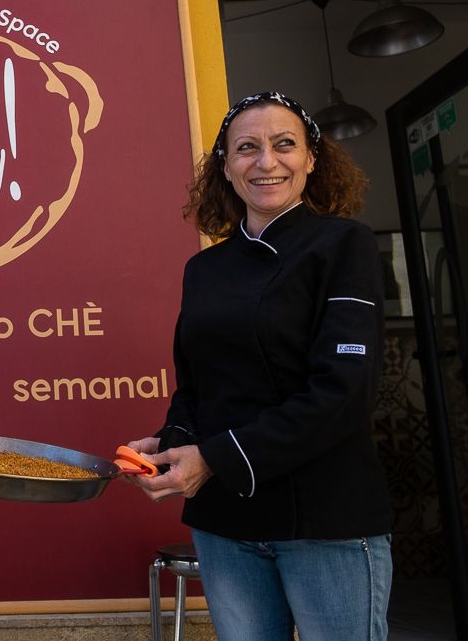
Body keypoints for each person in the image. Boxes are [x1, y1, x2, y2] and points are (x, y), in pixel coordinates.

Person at [128, 91, 392, 640]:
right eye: (246, 148)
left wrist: (212, 458)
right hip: (226, 521)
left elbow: (344, 391)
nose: (266, 161)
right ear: (226, 166)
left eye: (284, 144)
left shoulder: (344, 245)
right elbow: (196, 388)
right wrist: (172, 443)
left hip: (323, 517)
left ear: (312, 159)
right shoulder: (205, 269)